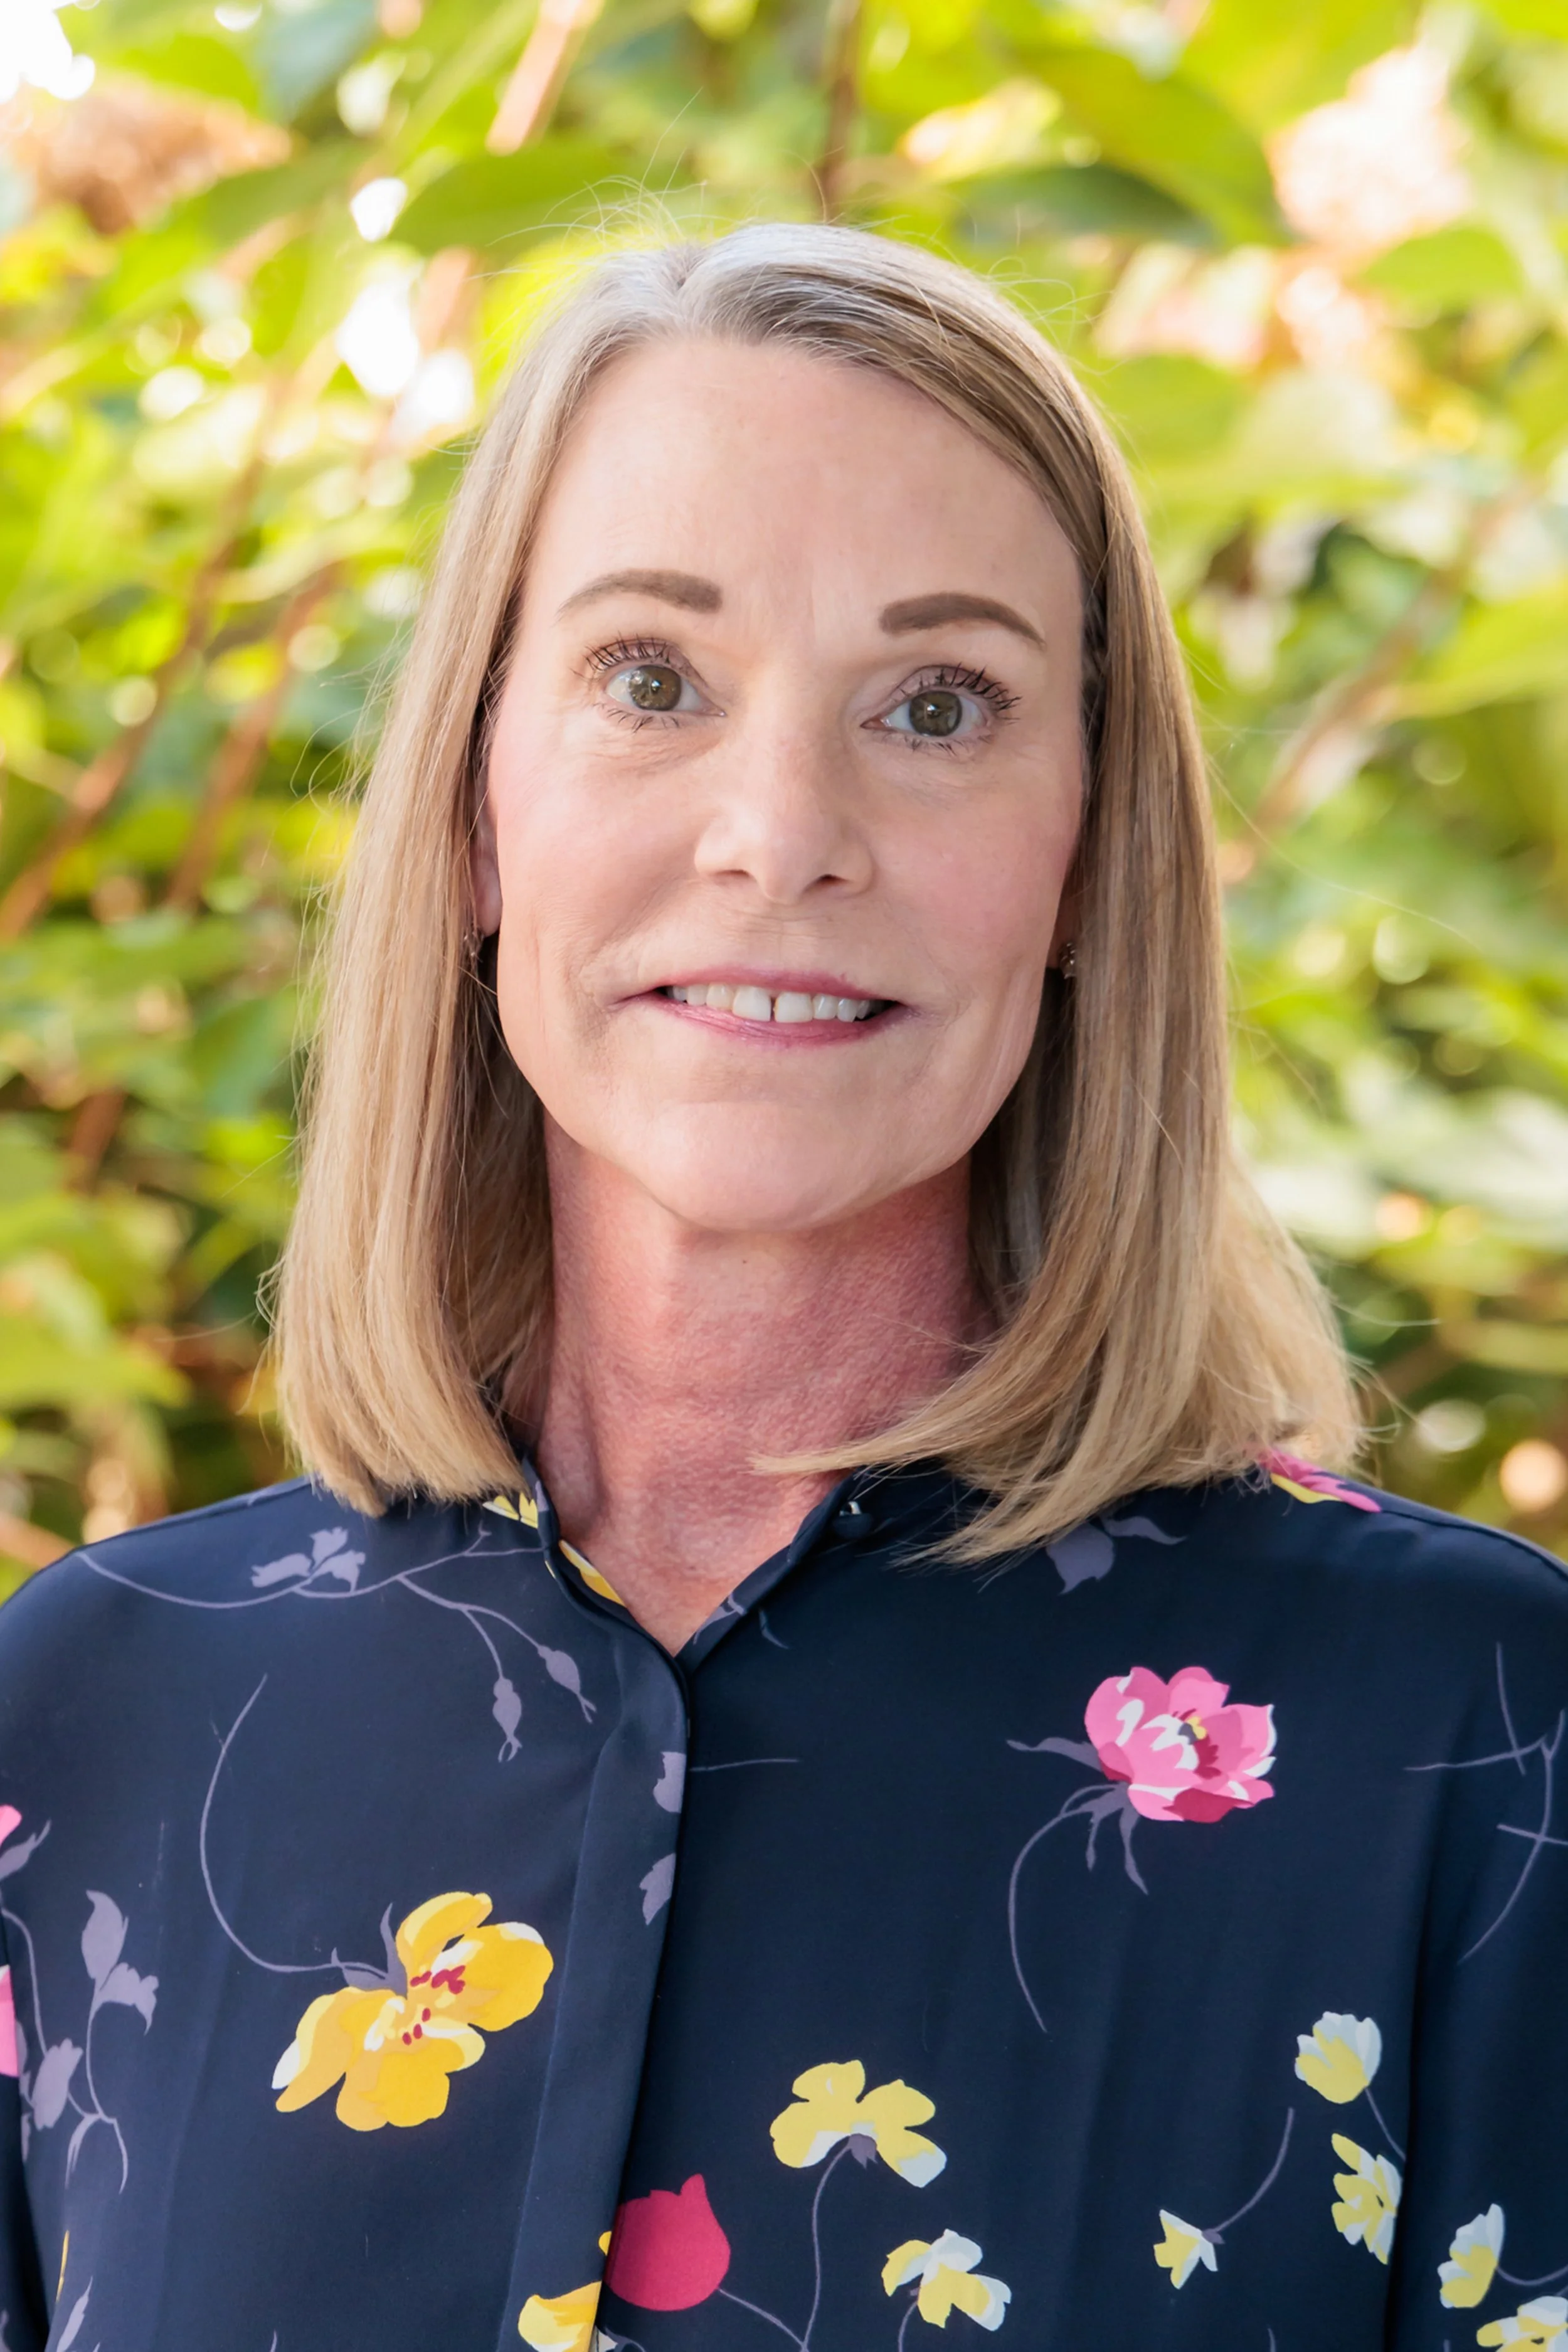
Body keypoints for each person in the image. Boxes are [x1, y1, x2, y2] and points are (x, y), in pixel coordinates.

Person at [0, 223, 1562, 2352]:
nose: (779, 829)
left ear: (1090, 857)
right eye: (651, 677)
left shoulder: (1474, 1747)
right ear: (473, 803)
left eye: (938, 705)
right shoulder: (93, 1713)